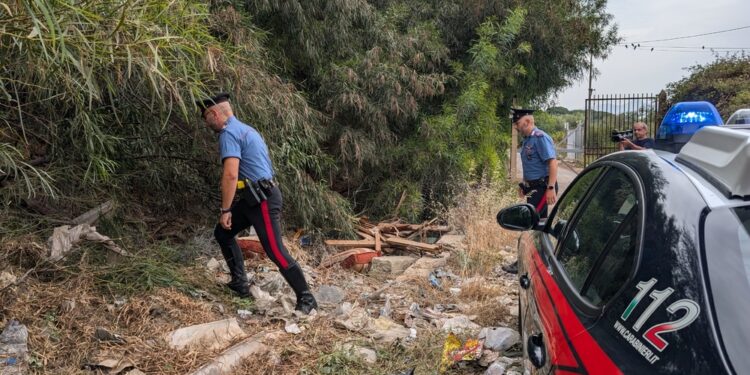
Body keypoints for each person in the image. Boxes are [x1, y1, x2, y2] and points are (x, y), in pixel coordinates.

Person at [197, 93, 318, 314]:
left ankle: (307, 298)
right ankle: (239, 284)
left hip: (262, 200)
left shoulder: (228, 133)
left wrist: (225, 209)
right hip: (254, 197)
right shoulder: (246, 129)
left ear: (215, 113)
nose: (206, 122)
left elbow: (231, 175)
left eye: (206, 117)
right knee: (223, 233)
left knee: (275, 251)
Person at [502, 108, 558, 274]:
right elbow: (533, 166)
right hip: (534, 187)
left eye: (518, 124)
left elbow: (553, 163)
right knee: (536, 225)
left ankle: (528, 262)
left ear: (527, 122)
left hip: (542, 187)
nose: (517, 128)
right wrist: (524, 185)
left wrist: (550, 188)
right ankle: (540, 261)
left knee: (532, 224)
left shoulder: (541, 138)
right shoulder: (528, 140)